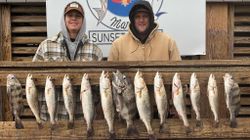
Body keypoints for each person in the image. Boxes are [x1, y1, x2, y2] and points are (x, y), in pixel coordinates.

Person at [32, 1, 103, 122]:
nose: (74, 18)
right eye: (70, 15)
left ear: (83, 20)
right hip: (51, 119)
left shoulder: (95, 51)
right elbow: (33, 80)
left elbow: (99, 89)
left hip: (83, 120)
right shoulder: (45, 46)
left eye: (78, 16)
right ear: (64, 19)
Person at [108, 0, 181, 61]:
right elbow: (109, 74)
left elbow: (179, 72)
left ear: (151, 19)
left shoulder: (168, 42)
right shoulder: (118, 45)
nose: (141, 20)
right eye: (137, 17)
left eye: (145, 16)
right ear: (133, 20)